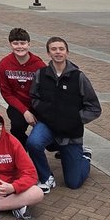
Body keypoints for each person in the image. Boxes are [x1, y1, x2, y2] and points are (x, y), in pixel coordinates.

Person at [26, 37, 101, 193]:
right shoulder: (40, 74)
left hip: (70, 132)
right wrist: (46, 113)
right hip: (48, 125)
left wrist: (74, 119)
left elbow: (94, 108)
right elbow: (34, 98)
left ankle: (85, 156)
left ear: (67, 52)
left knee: (73, 183)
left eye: (61, 49)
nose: (58, 52)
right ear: (48, 53)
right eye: (54, 49)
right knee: (33, 143)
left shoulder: (78, 77)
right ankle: (46, 177)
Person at [0, 27, 45, 146]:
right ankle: (22, 148)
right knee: (17, 128)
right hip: (17, 105)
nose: (19, 47)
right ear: (10, 44)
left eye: (23, 43)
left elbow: (46, 90)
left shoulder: (39, 65)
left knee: (46, 134)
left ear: (29, 44)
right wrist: (24, 111)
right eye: (15, 43)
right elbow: (6, 93)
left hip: (37, 104)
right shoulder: (4, 64)